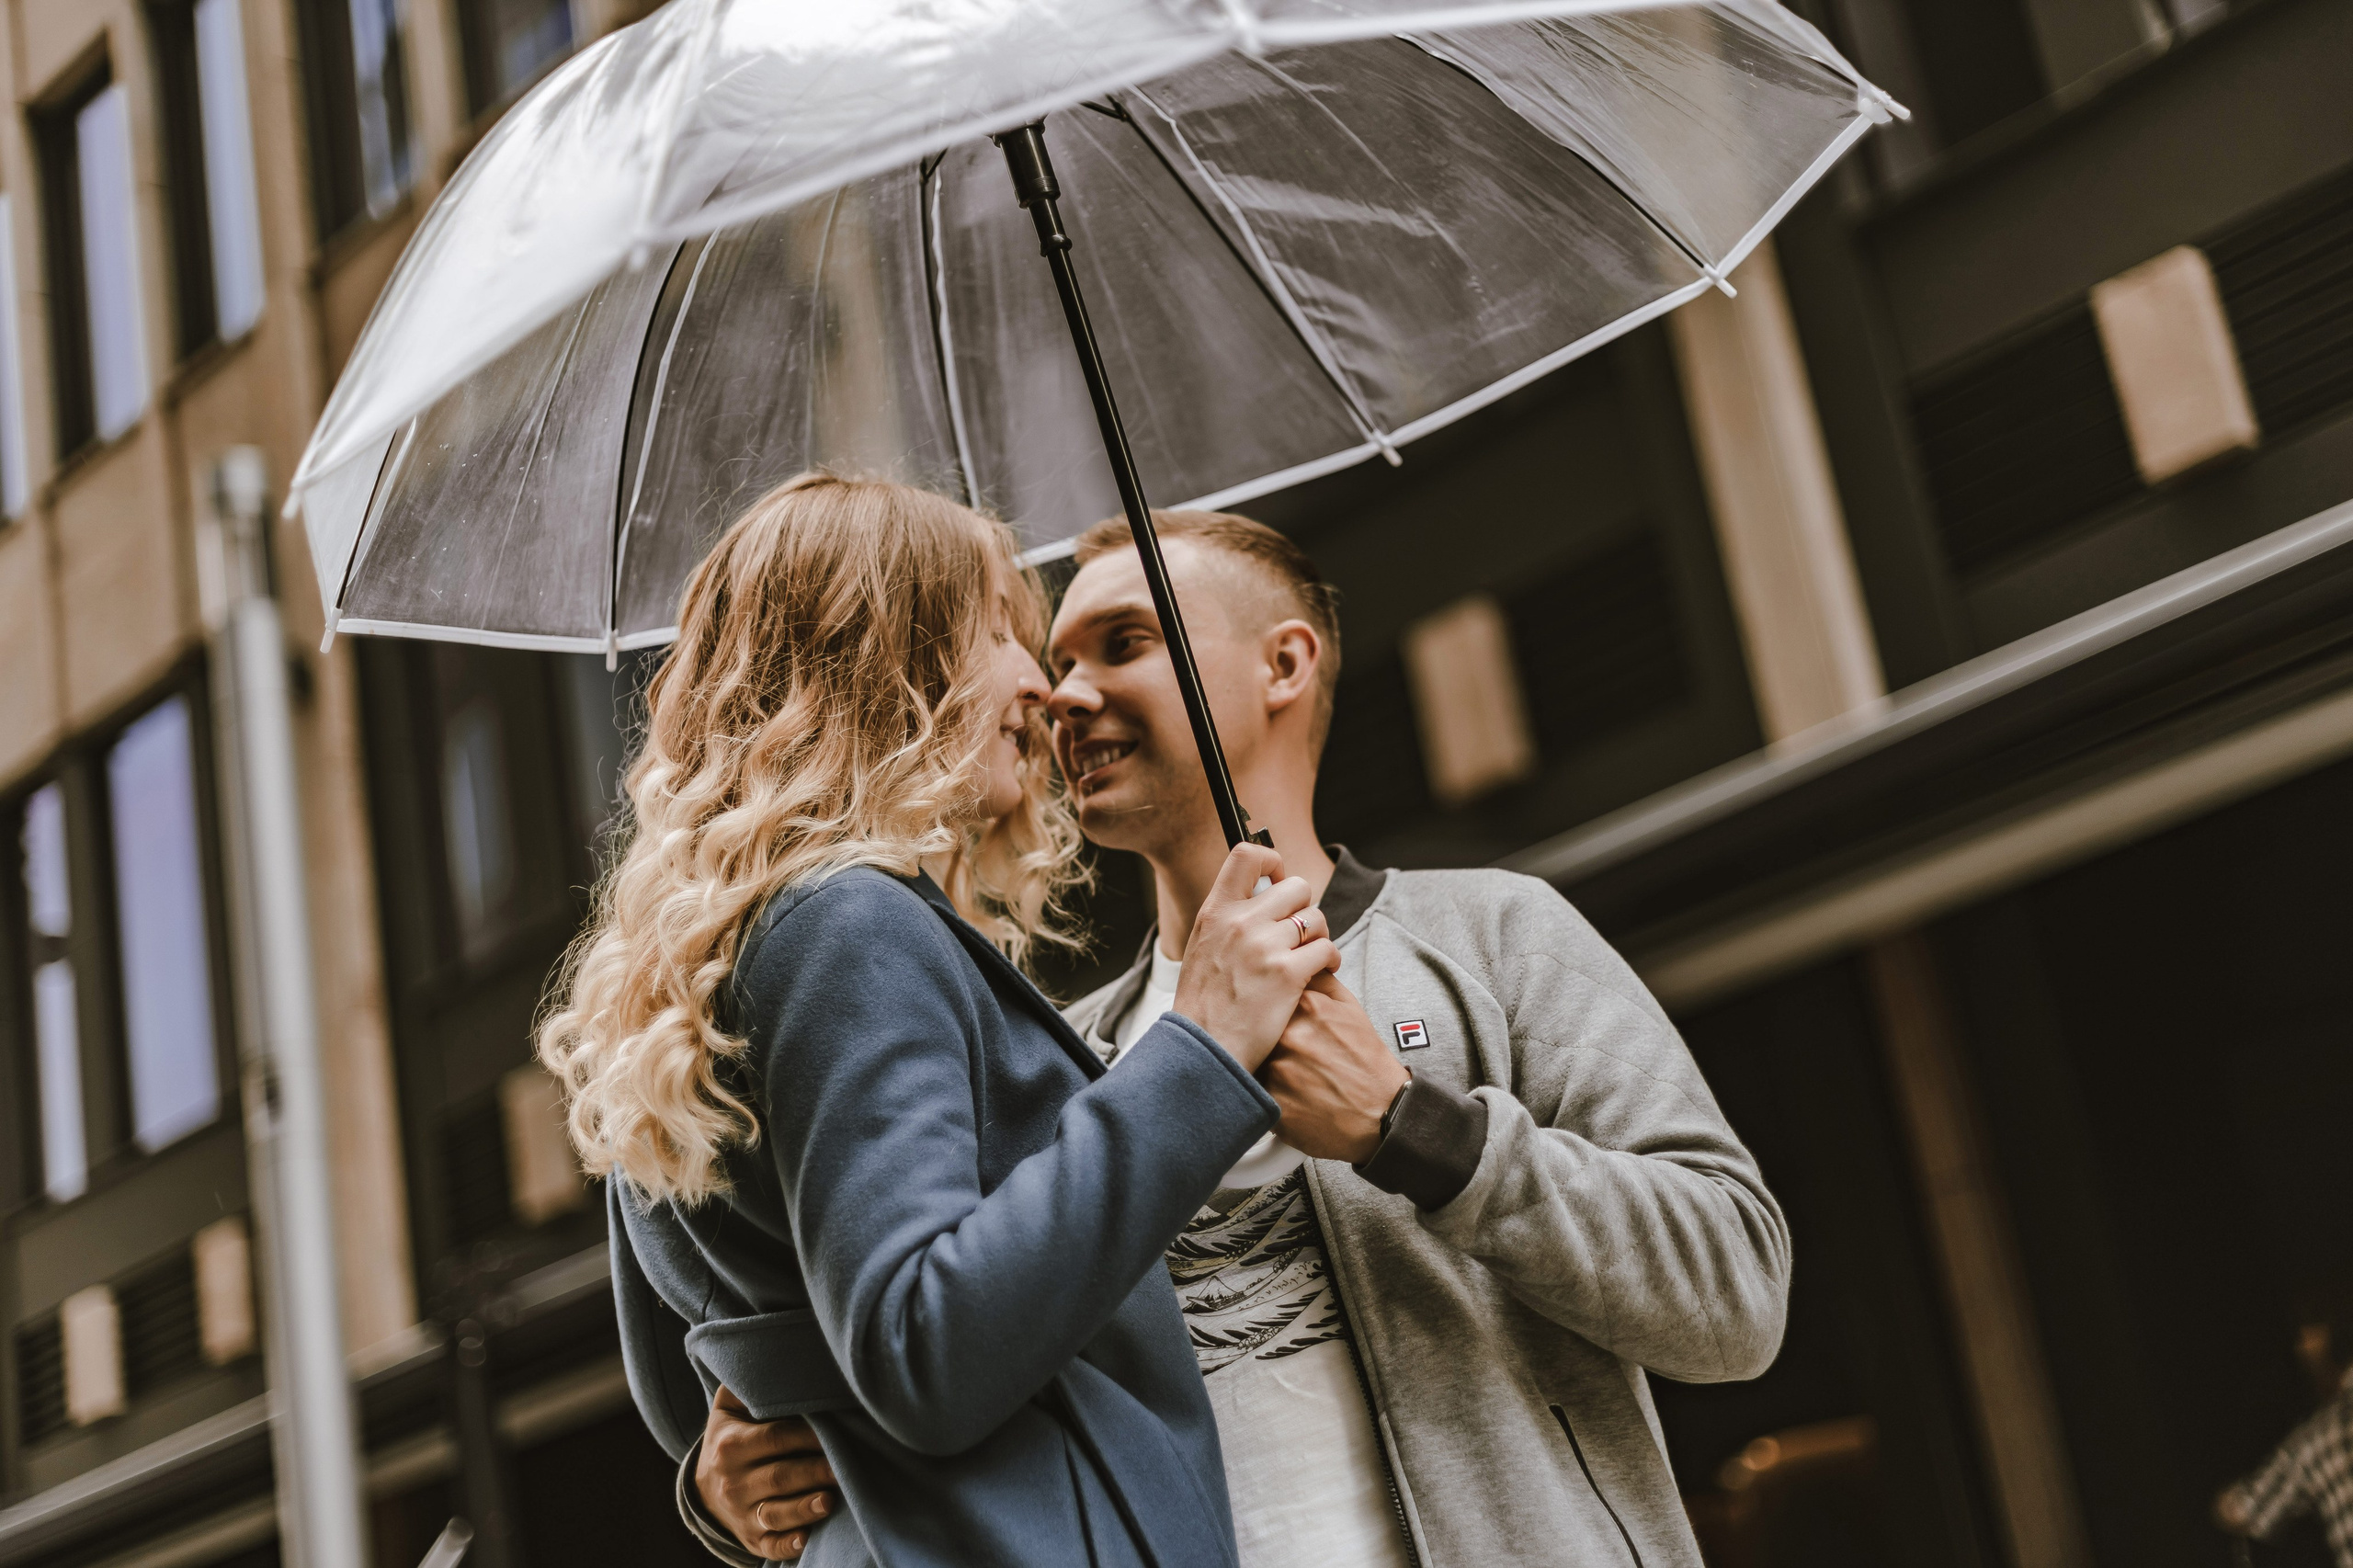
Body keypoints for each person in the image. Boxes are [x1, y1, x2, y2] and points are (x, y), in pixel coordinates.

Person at [690, 507, 1792, 1566]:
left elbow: (1736, 1294)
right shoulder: (1053, 1060)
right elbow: (946, 1353)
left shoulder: (1495, 933)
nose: (1063, 693)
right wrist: (738, 1476)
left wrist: (1410, 1128)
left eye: (1124, 643)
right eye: (1050, 657)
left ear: (1283, 665)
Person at [544, 476, 1343, 1568]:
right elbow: (924, 1344)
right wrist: (1200, 1045)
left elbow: (683, 1393)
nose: (1038, 684)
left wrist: (726, 1475)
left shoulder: (688, 972)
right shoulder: (852, 924)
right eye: (1001, 637)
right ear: (892, 660)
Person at [2215, 1292, 2353, 1565]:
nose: (2300, 1351)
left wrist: (2223, 1503)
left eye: (2305, 1339)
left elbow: (2245, 1511)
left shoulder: (2322, 1434)